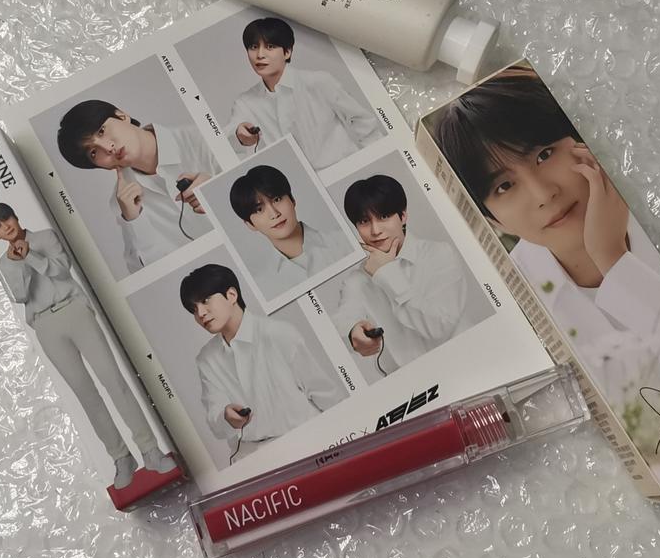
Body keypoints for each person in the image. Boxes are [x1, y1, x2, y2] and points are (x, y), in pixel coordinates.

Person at [432, 70, 660, 465]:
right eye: (504, 187)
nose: (544, 193)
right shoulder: (516, 304)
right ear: (493, 221)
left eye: (544, 154)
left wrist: (613, 260)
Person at [0, 203, 176, 488]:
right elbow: (21, 295)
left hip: (73, 308)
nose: (6, 227)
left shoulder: (45, 237)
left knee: (113, 380)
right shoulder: (3, 265)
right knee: (85, 394)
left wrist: (31, 255)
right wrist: (18, 262)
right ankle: (121, 457)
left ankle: (150, 450)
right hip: (45, 324)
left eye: (6, 219)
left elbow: (62, 271)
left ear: (15, 216)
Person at [180, 264, 346, 461]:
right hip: (251, 456)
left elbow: (325, 393)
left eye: (205, 300)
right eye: (194, 309)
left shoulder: (278, 333)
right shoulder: (206, 359)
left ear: (231, 295)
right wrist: (225, 416)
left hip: (309, 443)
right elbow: (216, 422)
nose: (200, 313)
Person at [57, 99, 220, 274]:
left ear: (122, 116)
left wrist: (218, 187)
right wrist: (134, 220)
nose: (107, 148)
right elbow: (150, 271)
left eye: (102, 131)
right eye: (93, 152)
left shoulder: (202, 137)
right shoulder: (121, 201)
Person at [335, 174, 472, 374]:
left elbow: (439, 326)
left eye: (384, 216)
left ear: (403, 215)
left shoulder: (438, 254)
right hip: (409, 381)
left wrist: (386, 273)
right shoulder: (356, 280)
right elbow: (344, 319)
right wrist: (352, 332)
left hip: (463, 365)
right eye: (364, 221)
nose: (375, 230)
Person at [227, 17, 383, 171]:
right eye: (254, 47)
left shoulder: (318, 82)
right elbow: (228, 140)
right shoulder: (245, 102)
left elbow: (364, 124)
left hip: (346, 170)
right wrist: (239, 134)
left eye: (270, 46)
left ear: (287, 52)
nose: (260, 54)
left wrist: (374, 164)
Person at [229, 164, 349, 297]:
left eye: (277, 199)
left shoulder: (344, 241)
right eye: (259, 209)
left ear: (292, 199)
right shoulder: (264, 285)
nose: (274, 214)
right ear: (250, 224)